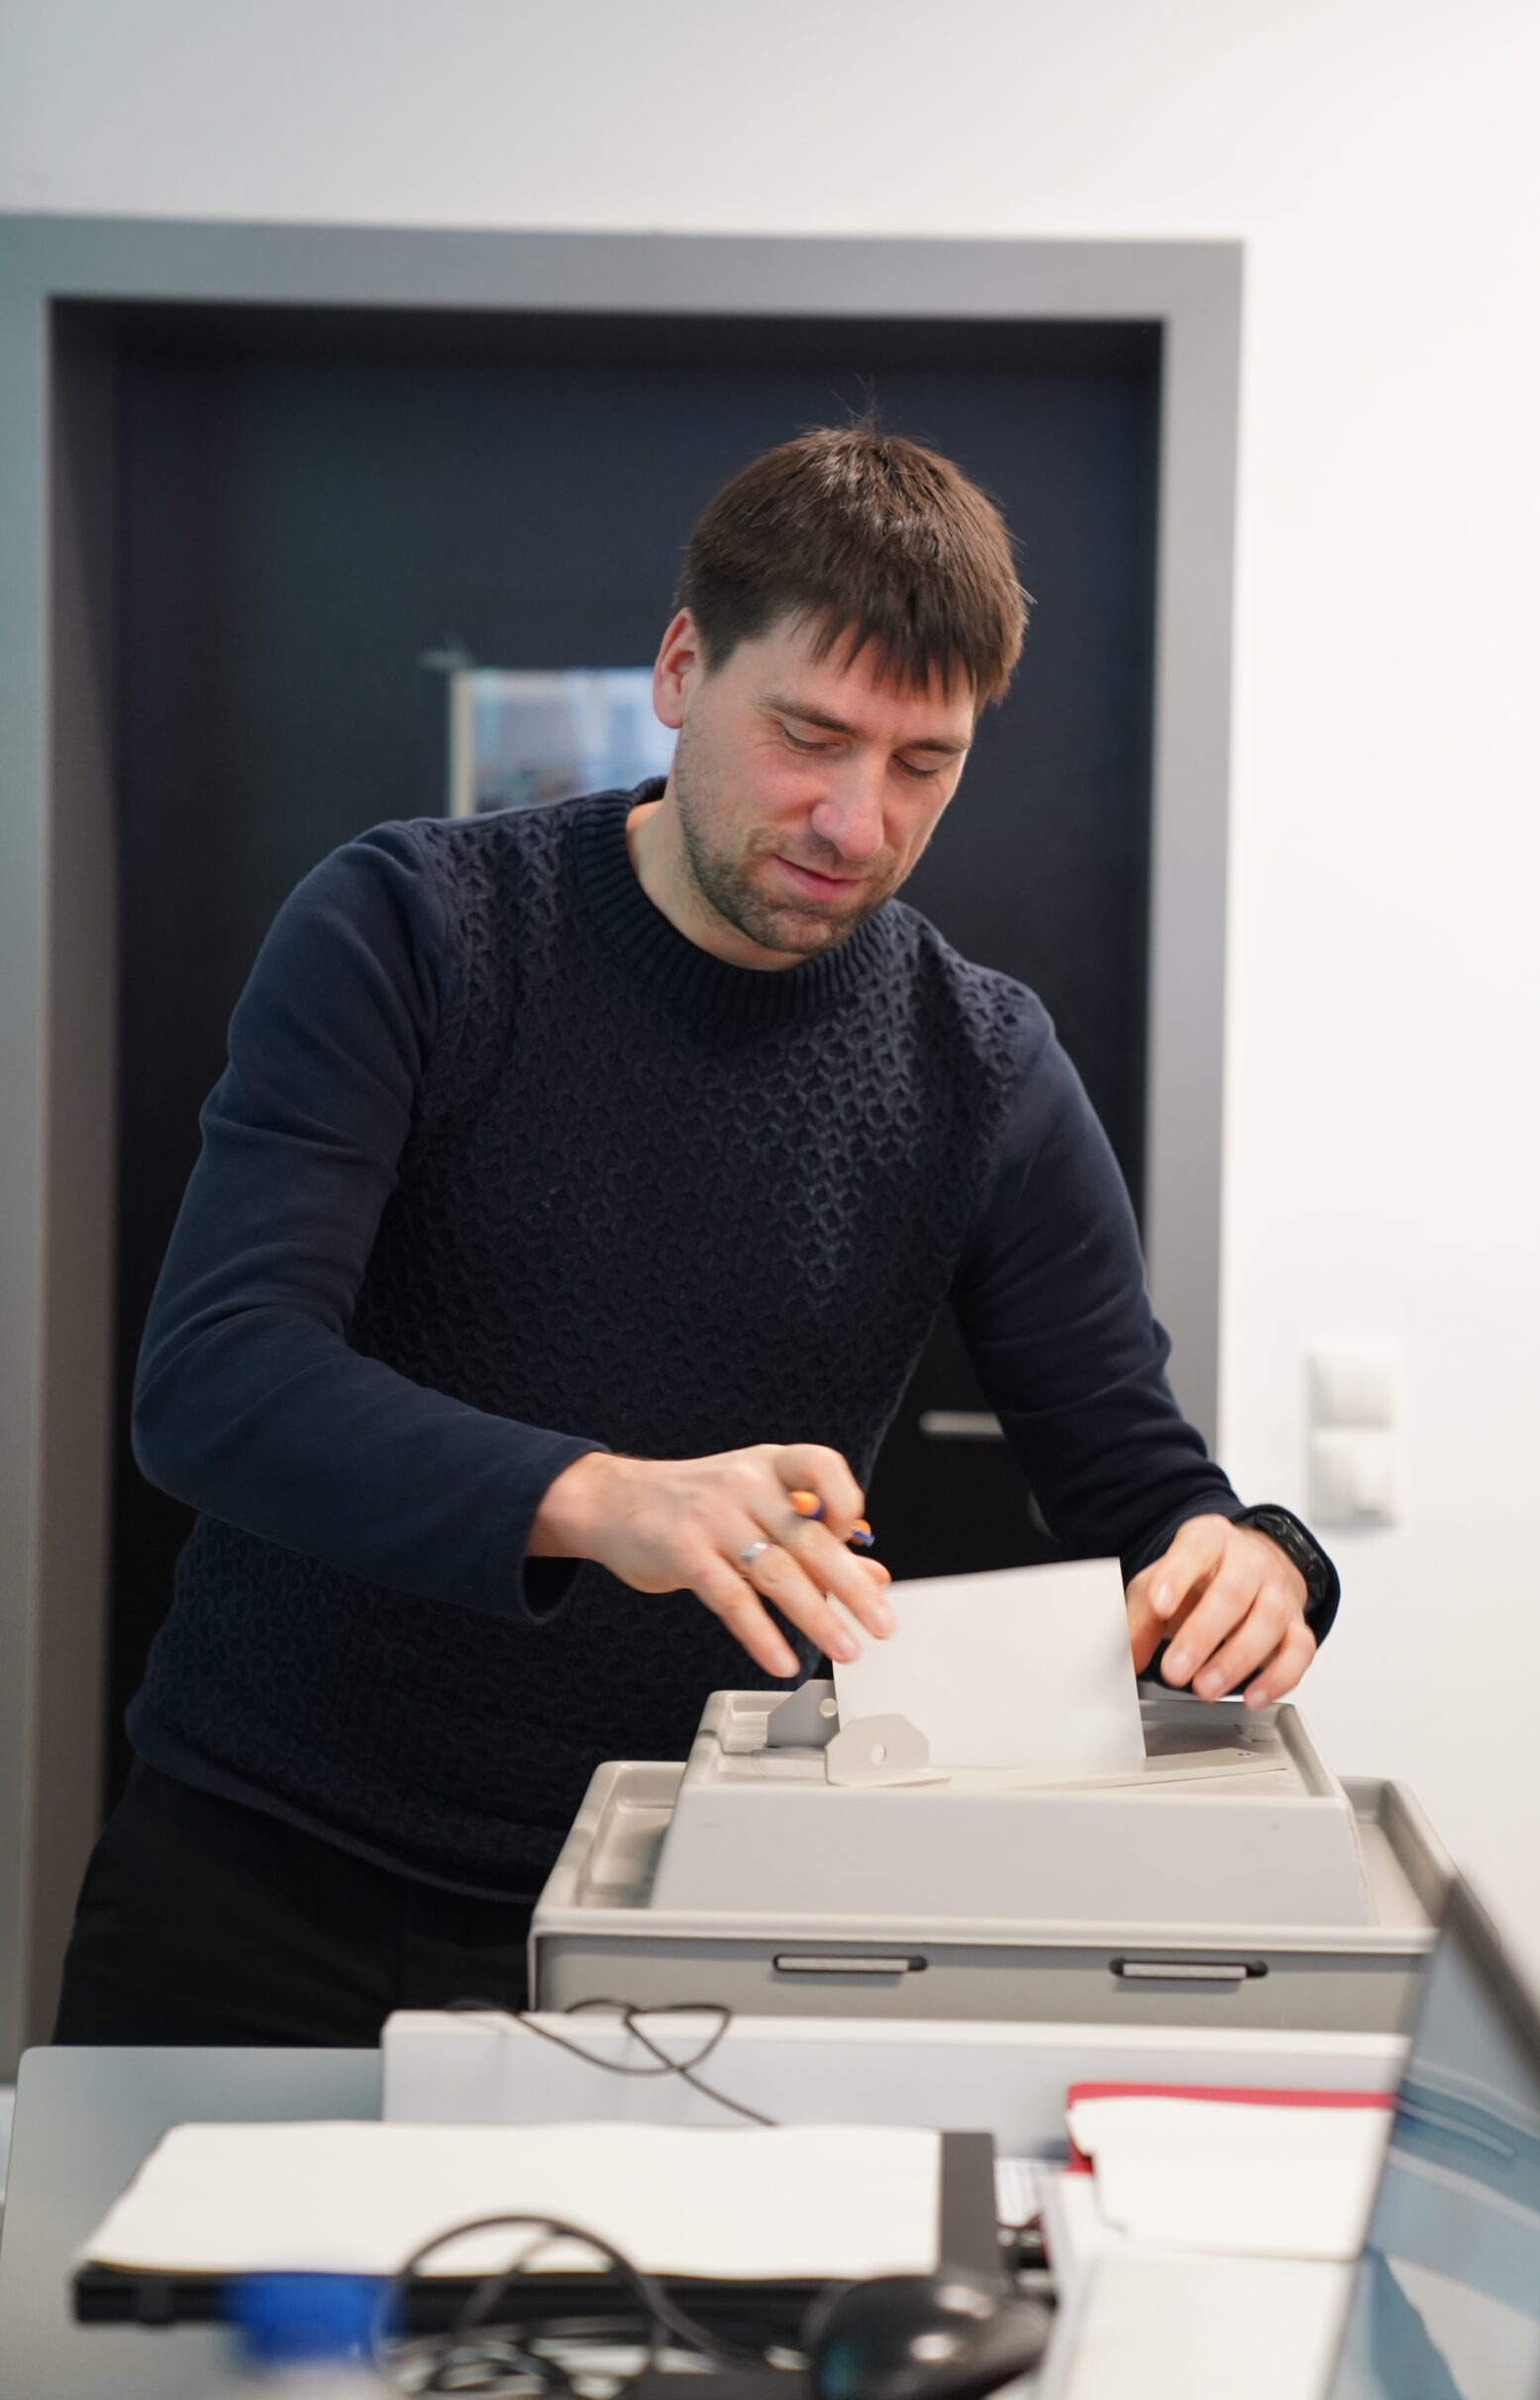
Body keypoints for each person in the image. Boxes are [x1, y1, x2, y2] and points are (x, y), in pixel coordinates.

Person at [54, 426, 1337, 2048]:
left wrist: (1256, 1561)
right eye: (810, 736)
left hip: (700, 1916)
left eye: (922, 763)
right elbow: (217, 1386)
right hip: (269, 1879)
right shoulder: (413, 930)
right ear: (681, 669)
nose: (857, 823)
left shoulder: (983, 1064)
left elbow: (1144, 1491)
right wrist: (602, 1501)